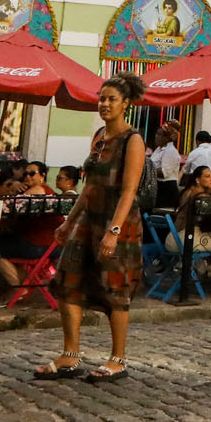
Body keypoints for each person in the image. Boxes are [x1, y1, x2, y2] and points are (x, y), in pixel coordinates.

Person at [36, 75, 145, 383]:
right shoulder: (99, 136)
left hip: (118, 221)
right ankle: (71, 354)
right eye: (102, 98)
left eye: (112, 99)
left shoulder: (132, 140)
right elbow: (88, 186)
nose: (105, 104)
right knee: (68, 281)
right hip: (88, 219)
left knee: (115, 288)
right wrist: (69, 221)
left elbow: (128, 190)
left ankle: (118, 358)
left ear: (126, 104)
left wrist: (114, 230)